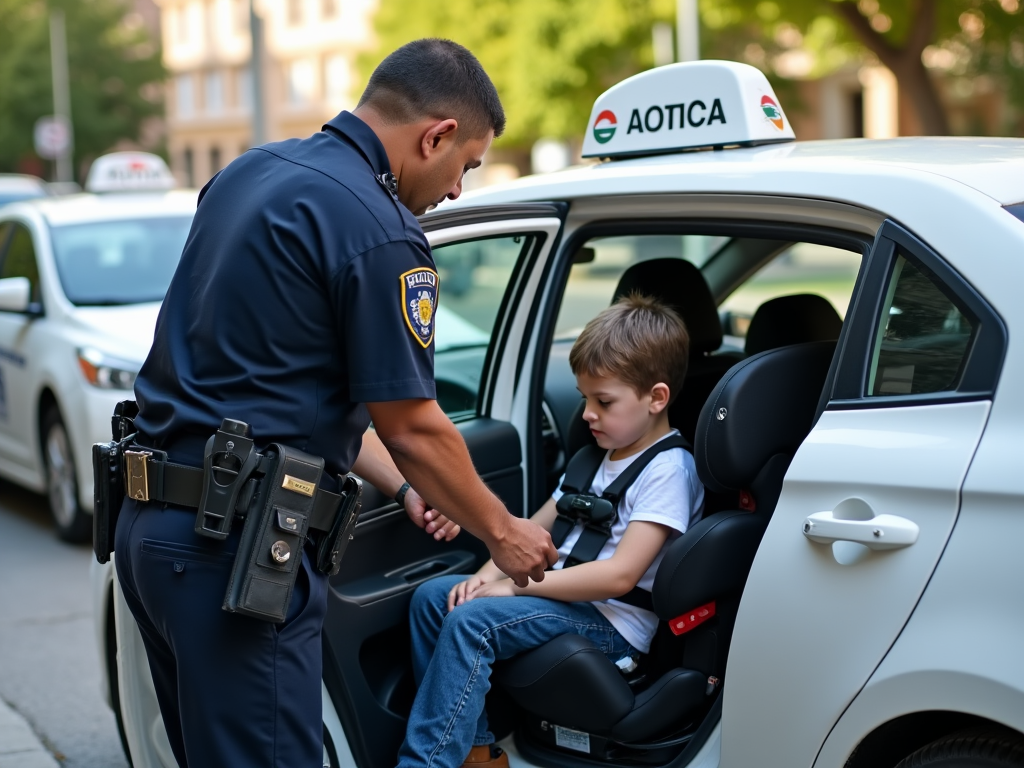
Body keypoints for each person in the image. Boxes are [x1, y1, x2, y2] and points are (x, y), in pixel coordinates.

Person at [114, 39, 557, 768]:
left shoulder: (248, 173)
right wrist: (503, 531)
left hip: (155, 535)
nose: (455, 192)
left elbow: (286, 385)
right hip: (231, 551)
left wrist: (408, 486)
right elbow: (412, 422)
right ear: (436, 135)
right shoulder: (380, 230)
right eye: (465, 167)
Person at [398, 294, 706, 768]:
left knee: (472, 621)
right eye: (585, 399)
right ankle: (476, 753)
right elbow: (527, 530)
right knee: (436, 601)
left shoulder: (668, 470)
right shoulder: (592, 457)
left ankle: (427, 762)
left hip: (613, 625)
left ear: (656, 398)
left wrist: (508, 589)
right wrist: (485, 575)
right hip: (561, 603)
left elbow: (620, 577)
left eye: (603, 402)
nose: (587, 414)